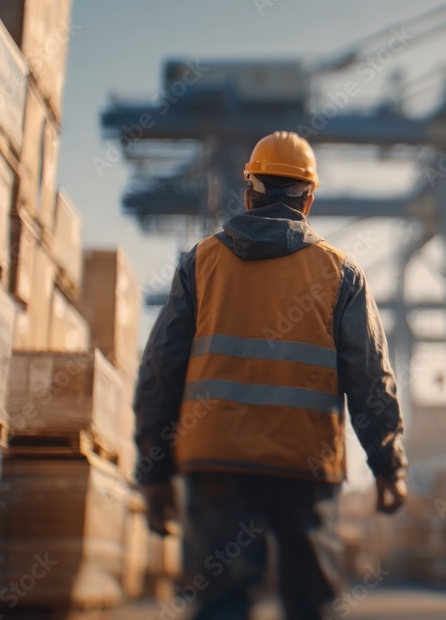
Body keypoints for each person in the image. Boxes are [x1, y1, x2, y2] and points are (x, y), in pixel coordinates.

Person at [134, 131, 408, 620]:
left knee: (220, 605)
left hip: (216, 461)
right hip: (304, 463)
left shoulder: (200, 264)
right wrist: (388, 465)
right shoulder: (341, 275)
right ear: (309, 198)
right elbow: (370, 379)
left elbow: (159, 371)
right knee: (310, 606)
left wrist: (153, 472)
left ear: (248, 193)